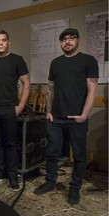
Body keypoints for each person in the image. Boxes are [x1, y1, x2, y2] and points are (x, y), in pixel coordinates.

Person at [33, 28, 99, 204]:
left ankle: (74, 188)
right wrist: (48, 111)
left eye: (71, 38)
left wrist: (84, 115)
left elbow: (92, 90)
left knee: (78, 156)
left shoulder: (89, 60)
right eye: (64, 39)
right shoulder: (55, 63)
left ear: (77, 40)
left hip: (77, 118)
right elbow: (51, 89)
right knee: (52, 152)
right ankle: (50, 182)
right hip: (56, 118)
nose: (67, 42)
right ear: (60, 43)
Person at [0, 30, 30, 191]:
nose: (1, 43)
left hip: (9, 109)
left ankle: (12, 175)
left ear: (9, 42)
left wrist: (20, 106)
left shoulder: (17, 60)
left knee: (10, 144)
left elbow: (26, 83)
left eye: (3, 40)